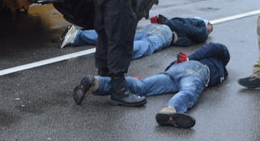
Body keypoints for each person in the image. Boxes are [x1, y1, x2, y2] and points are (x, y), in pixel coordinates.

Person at [72, 42, 230, 129]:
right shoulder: (221, 61)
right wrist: (191, 59)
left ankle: (97, 82)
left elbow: (172, 67)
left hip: (174, 71)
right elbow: (216, 47)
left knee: (143, 85)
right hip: (197, 69)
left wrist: (178, 64)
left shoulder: (220, 69)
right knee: (189, 92)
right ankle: (170, 111)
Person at [59, 15, 213, 60]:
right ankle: (119, 52)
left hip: (158, 29)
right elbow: (200, 34)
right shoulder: (199, 26)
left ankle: (77, 36)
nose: (209, 30)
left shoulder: (186, 22)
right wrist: (205, 30)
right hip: (165, 34)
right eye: (210, 26)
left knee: (123, 35)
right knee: (147, 46)